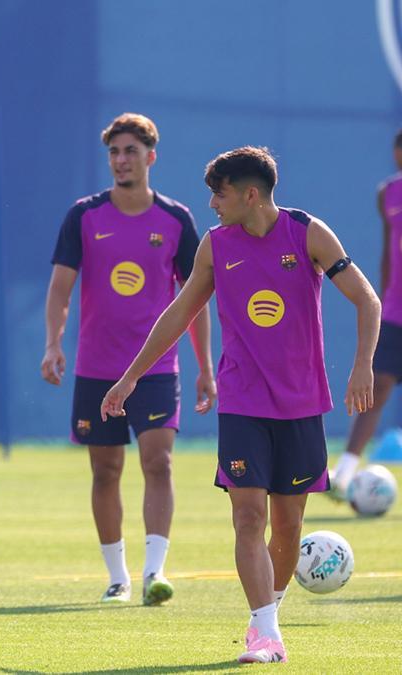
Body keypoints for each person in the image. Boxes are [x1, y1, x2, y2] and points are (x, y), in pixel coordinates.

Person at [101, 146, 379, 663]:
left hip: (301, 406)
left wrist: (363, 365)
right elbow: (178, 313)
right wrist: (130, 378)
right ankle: (265, 630)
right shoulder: (214, 245)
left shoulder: (308, 234)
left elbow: (368, 299)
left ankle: (268, 612)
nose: (211, 203)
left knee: (289, 526)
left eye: (220, 192)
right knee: (248, 518)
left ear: (251, 194)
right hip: (242, 403)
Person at [42, 112, 214, 605]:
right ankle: (116, 577)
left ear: (151, 157)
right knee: (106, 472)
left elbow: (195, 298)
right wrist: (54, 343)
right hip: (96, 370)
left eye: (131, 151)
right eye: (115, 152)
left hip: (157, 370)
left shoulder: (177, 220)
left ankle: (153, 573)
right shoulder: (84, 216)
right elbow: (59, 288)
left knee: (158, 462)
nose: (121, 160)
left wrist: (204, 367)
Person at [330, 129, 402, 496]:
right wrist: (387, 295)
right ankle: (343, 474)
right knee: (374, 391)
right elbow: (390, 251)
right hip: (395, 314)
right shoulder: (387, 193)